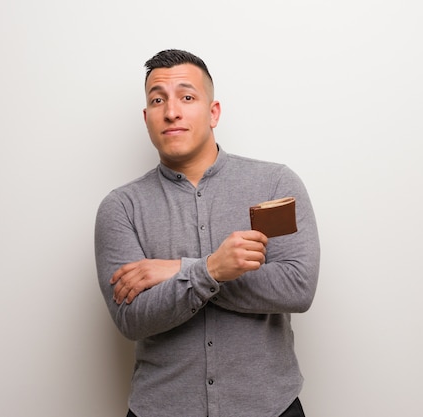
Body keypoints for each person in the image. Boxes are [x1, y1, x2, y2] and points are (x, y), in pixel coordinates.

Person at [95, 49, 320, 417]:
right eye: (157, 100)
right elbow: (132, 319)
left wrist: (177, 269)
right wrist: (212, 269)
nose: (171, 111)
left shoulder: (274, 184)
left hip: (269, 408)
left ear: (213, 112)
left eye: (187, 97)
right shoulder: (120, 208)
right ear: (147, 117)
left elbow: (297, 287)